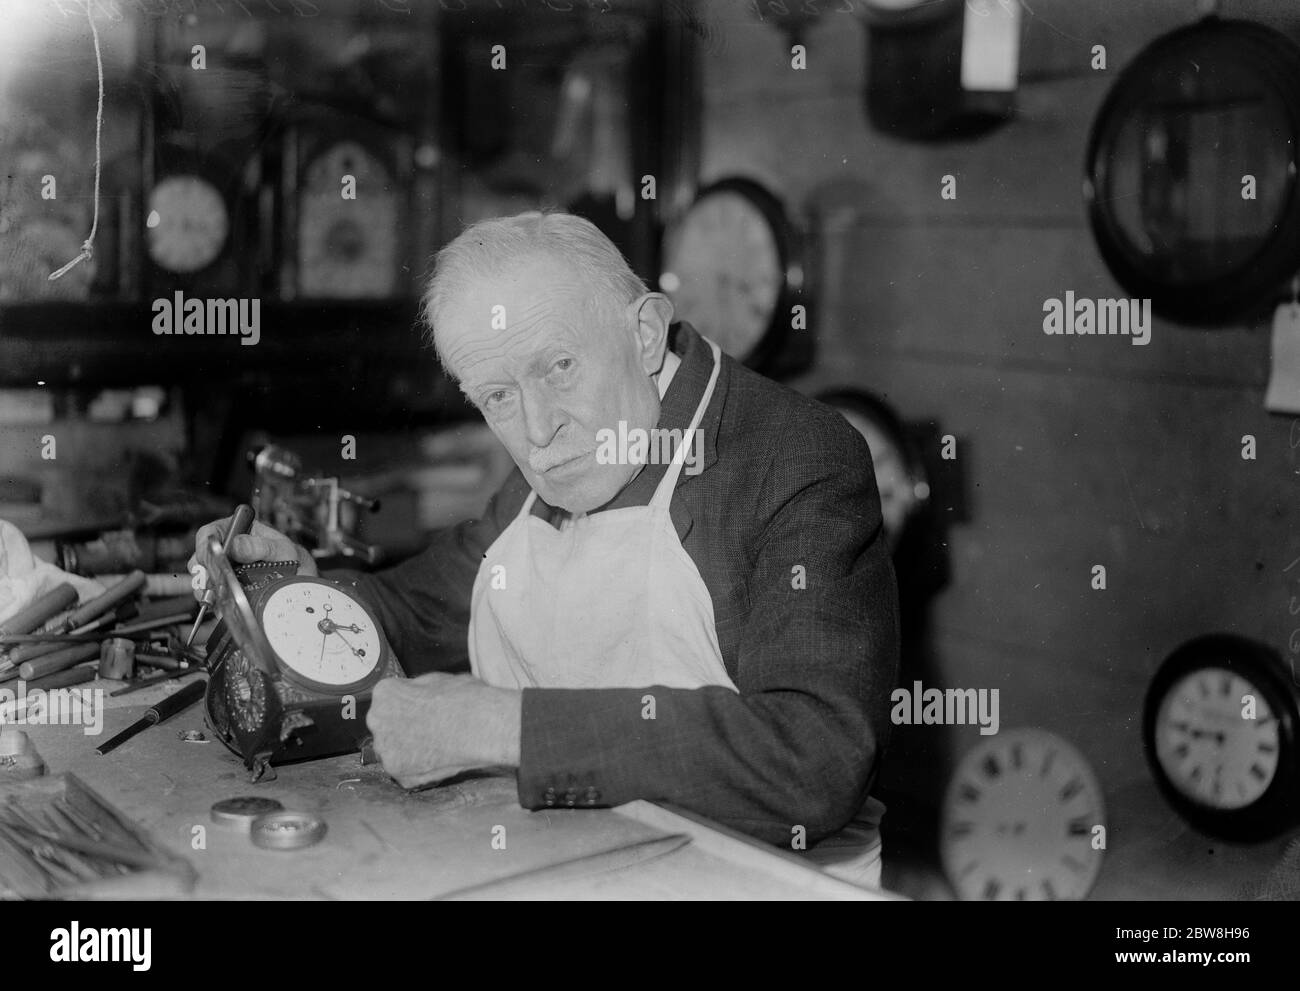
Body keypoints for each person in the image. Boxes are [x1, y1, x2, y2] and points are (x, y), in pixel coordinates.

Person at [189, 212, 900, 886]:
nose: (536, 429)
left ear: (647, 334)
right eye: (496, 396)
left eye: (559, 365)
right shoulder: (554, 468)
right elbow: (418, 606)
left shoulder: (794, 459)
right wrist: (299, 590)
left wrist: (503, 727)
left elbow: (817, 757)